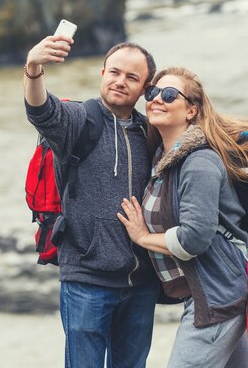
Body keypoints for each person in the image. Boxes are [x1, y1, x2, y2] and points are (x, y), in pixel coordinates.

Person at [23, 33, 162, 368]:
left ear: (144, 89)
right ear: (102, 74)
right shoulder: (79, 120)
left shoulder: (151, 134)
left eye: (132, 77)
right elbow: (42, 111)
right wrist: (33, 67)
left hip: (141, 283)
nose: (120, 81)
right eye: (114, 72)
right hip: (87, 279)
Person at [117, 66, 248, 368]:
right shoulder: (164, 158)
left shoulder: (198, 162)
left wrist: (143, 237)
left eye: (170, 94)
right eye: (153, 92)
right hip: (218, 290)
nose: (157, 99)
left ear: (191, 111)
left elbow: (194, 239)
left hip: (219, 293)